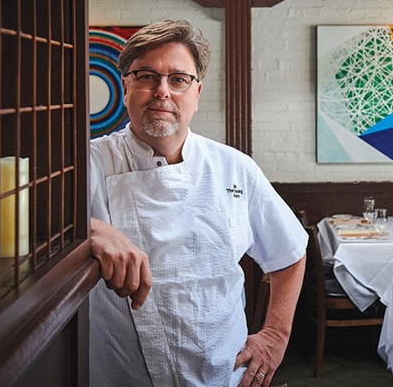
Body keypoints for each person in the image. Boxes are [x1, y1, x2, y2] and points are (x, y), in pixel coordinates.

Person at [89, 19, 307, 387]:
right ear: (126, 85)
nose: (162, 91)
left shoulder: (235, 168)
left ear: (197, 92)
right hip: (123, 374)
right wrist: (91, 229)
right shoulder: (89, 164)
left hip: (223, 373)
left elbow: (290, 252)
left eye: (178, 79)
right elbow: (30, 231)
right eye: (146, 76)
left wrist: (275, 336)